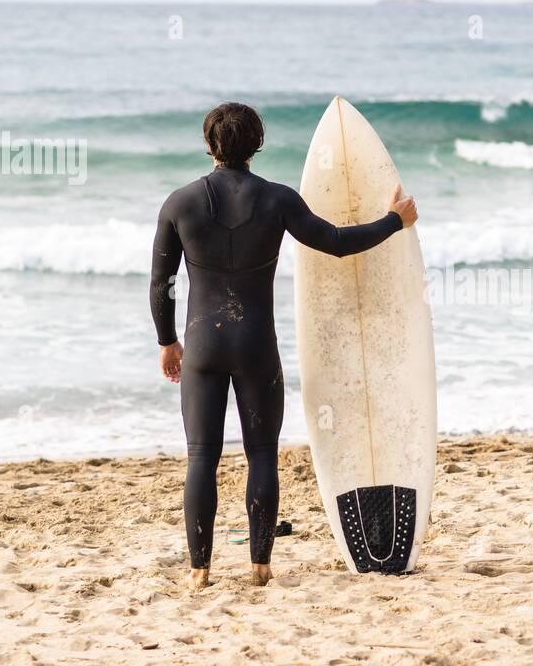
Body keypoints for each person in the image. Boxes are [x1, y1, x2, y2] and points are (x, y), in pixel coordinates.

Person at [149, 102, 418, 590]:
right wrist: (393, 221)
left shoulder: (179, 203)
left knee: (201, 457)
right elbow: (335, 241)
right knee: (262, 455)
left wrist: (167, 340)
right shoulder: (277, 200)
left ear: (209, 145)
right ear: (257, 144)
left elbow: (161, 283)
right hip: (256, 346)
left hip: (203, 347)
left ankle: (199, 570)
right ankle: (259, 566)